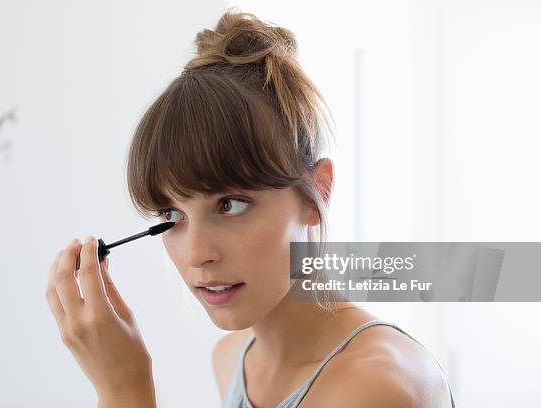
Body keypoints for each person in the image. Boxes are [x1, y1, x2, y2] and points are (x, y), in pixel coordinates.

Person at [45, 8, 456, 407]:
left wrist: (123, 389)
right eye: (172, 216)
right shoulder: (231, 359)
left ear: (317, 193)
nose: (196, 254)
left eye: (231, 204)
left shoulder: (377, 386)